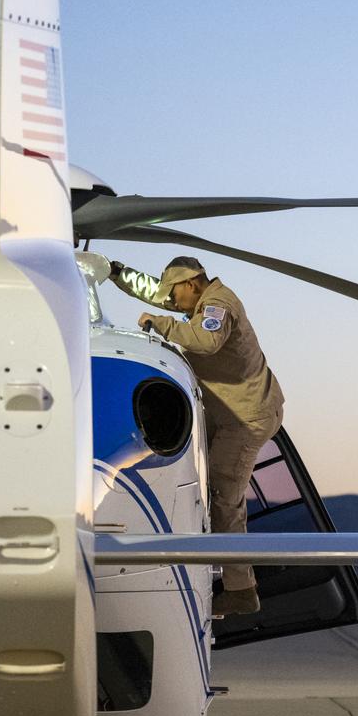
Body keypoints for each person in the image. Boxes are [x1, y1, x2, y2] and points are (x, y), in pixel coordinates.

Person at [109, 256, 285, 616]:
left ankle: (241, 591)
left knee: (223, 496)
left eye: (175, 296)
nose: (171, 304)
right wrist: (117, 273)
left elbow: (205, 342)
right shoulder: (196, 300)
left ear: (192, 284)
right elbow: (155, 294)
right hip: (229, 412)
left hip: (247, 419)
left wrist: (162, 325)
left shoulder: (219, 305)